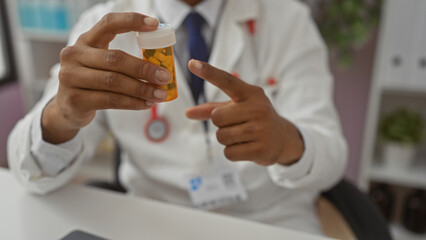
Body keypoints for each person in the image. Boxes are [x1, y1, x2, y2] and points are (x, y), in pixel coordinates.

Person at [8, 0, 347, 235]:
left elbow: (332, 156)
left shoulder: (288, 20)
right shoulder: (101, 26)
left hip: (269, 222)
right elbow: (30, 170)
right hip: (154, 221)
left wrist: (287, 141)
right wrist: (60, 116)